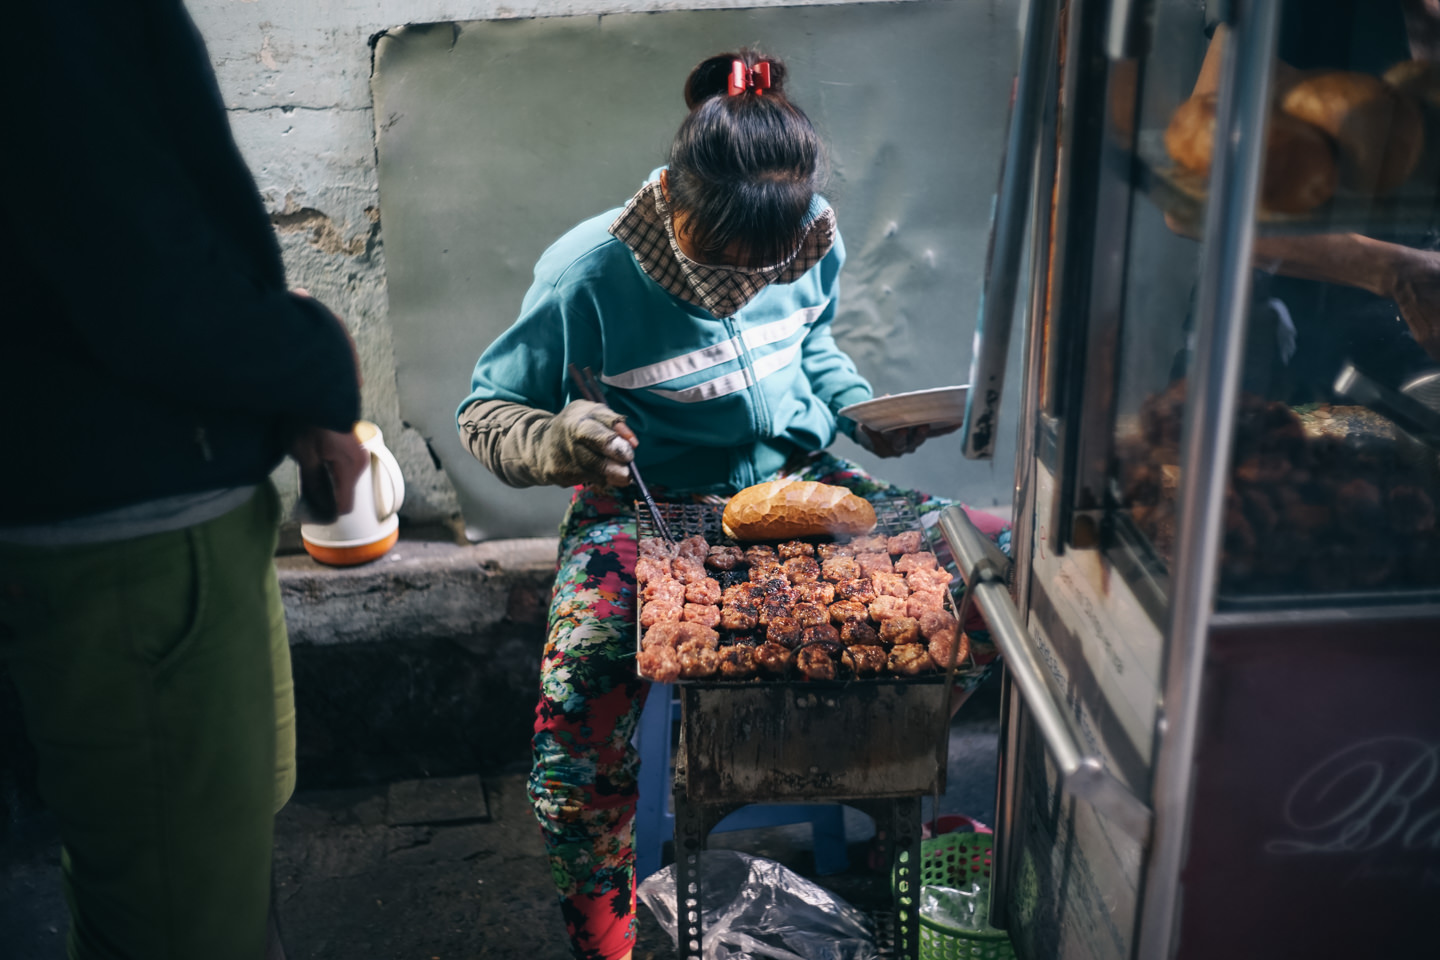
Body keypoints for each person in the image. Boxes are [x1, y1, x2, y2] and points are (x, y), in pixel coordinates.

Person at [456, 50, 1009, 960]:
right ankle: (607, 930)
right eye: (727, 271)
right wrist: (559, 441)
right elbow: (486, 414)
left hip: (797, 481)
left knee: (996, 565)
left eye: (770, 267)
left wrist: (857, 411)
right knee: (575, 707)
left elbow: (815, 343)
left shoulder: (809, 230)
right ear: (676, 200)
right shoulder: (588, 274)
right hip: (645, 502)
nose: (751, 289)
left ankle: (879, 763)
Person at [0, 3, 366, 958]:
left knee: (171, 862)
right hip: (132, 536)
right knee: (181, 913)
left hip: (130, 508)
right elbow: (142, 275)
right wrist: (315, 362)